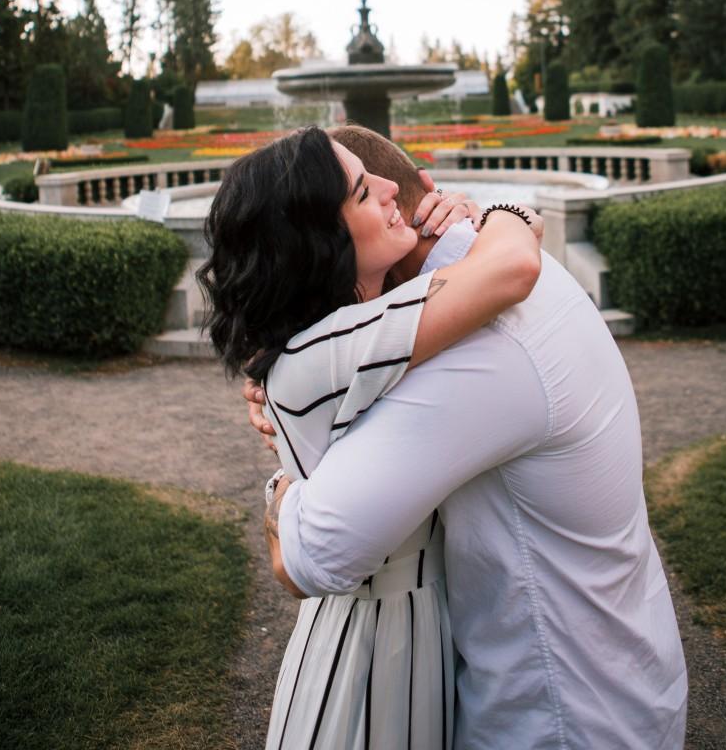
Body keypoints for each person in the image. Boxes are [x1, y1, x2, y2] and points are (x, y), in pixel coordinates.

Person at [251, 125, 688, 749]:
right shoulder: (507, 269)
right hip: (621, 668)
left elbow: (311, 554)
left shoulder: (478, 345)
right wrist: (509, 214)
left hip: (557, 711)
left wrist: (281, 483)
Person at [197, 124, 544, 749]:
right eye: (362, 191)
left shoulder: (343, 333)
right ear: (320, 244)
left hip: (415, 634)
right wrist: (504, 215)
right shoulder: (327, 350)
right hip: (369, 664)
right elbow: (513, 264)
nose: (390, 187)